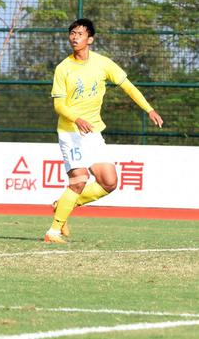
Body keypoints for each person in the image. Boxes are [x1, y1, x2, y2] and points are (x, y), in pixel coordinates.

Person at [44, 18, 164, 244]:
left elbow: (127, 86)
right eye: (72, 33)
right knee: (79, 180)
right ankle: (53, 232)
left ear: (90, 39)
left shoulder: (102, 63)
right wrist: (77, 118)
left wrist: (149, 109)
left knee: (109, 182)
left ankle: (63, 205)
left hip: (93, 133)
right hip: (70, 132)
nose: (74, 37)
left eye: (79, 33)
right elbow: (58, 105)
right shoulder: (63, 68)